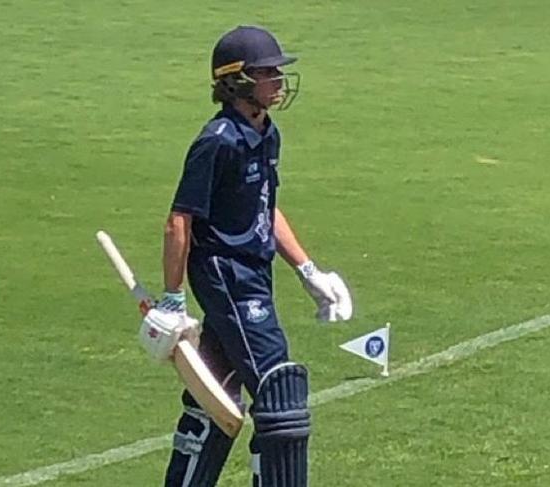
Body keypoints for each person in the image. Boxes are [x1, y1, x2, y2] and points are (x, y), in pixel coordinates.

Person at [139, 25, 353, 487]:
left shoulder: (265, 134)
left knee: (213, 394)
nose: (278, 79)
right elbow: (180, 220)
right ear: (236, 80)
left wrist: (308, 270)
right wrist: (172, 299)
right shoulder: (218, 140)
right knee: (280, 394)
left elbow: (264, 205)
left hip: (254, 274)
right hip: (227, 275)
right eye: (267, 72)